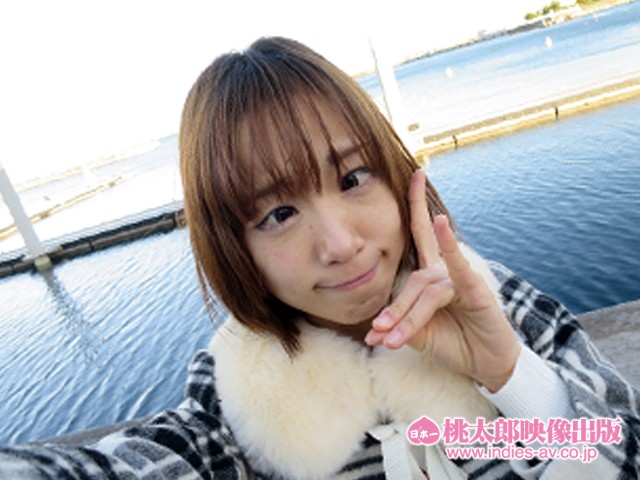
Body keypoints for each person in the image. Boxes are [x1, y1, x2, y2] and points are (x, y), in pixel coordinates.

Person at [0, 36, 638, 479]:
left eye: (354, 177)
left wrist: (510, 374)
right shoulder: (239, 401)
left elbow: (624, 453)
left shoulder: (493, 302)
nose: (339, 244)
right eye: (278, 214)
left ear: (396, 174)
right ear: (235, 248)